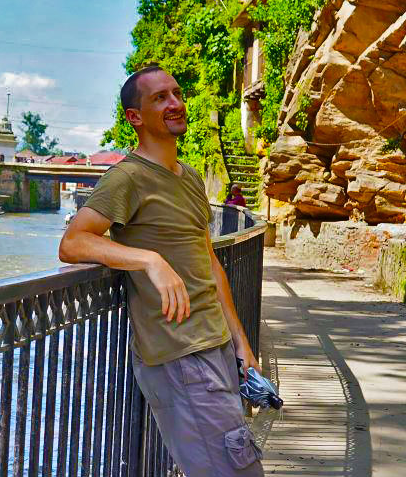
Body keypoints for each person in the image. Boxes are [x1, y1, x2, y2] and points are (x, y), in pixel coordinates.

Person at [58, 66, 263, 477]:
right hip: (180, 356)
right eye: (160, 98)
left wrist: (241, 344)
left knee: (234, 463)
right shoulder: (127, 177)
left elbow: (209, 263)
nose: (175, 103)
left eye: (176, 93)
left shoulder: (187, 177)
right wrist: (149, 260)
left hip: (216, 346)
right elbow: (73, 243)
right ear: (135, 117)